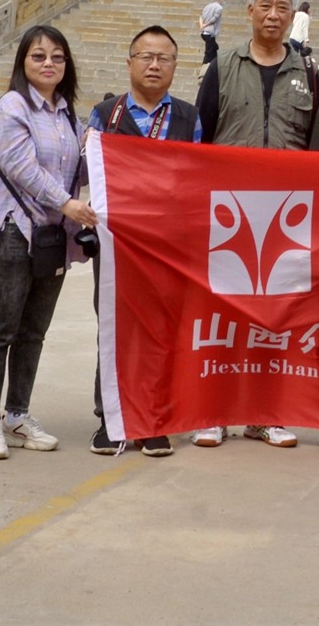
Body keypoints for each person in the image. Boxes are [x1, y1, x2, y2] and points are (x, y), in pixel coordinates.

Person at [192, 0, 319, 447]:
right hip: (230, 214)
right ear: (250, 11)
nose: (273, 15)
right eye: (265, 6)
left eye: (282, 8)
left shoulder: (308, 73)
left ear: (293, 17)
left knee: (275, 319)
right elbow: (202, 137)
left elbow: (318, 144)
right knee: (223, 318)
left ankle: (264, 414)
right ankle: (214, 411)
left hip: (288, 217)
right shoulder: (222, 66)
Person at [0, 26, 97, 461]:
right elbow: (21, 168)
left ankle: (17, 414)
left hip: (52, 237)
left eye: (58, 57)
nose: (49, 64)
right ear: (23, 61)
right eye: (39, 56)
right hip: (14, 230)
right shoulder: (12, 106)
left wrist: (102, 154)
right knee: (0, 329)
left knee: (33, 332)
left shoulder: (68, 114)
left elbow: (77, 171)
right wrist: (67, 204)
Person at [87, 25, 200, 458]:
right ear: (129, 62)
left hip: (169, 243)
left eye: (163, 58)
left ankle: (154, 420)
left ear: (175, 65)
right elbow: (91, 171)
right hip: (117, 243)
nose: (154, 65)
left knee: (162, 331)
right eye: (146, 56)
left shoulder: (188, 117)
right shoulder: (105, 114)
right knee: (113, 328)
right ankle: (111, 420)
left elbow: (196, 177)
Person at [199, 0, 226, 65]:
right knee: (209, 51)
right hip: (210, 32)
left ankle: (214, 64)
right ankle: (205, 65)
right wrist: (205, 25)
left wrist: (201, 26)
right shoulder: (219, 8)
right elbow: (214, 19)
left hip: (204, 32)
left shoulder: (208, 6)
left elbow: (201, 17)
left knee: (215, 48)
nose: (224, 1)